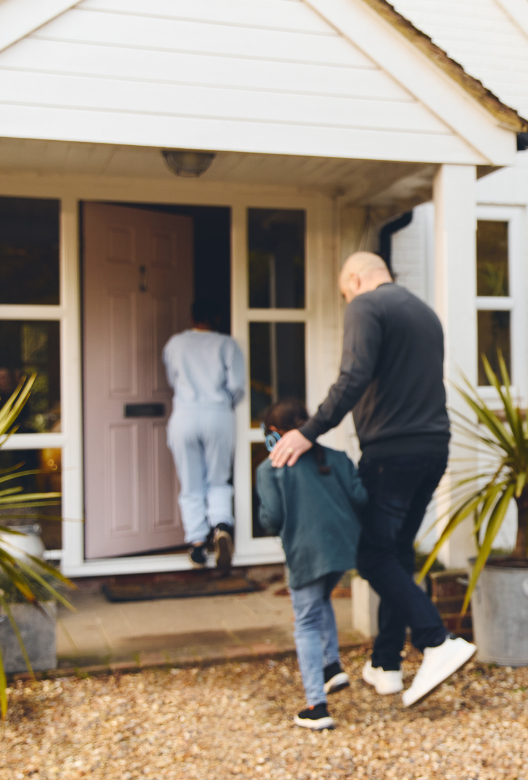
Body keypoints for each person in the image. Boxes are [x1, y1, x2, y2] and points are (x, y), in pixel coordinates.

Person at [267, 252, 477, 708]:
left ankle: (438, 642)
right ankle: (385, 664)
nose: (348, 301)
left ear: (356, 279)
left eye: (345, 292)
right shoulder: (424, 313)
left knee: (372, 554)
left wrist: (307, 432)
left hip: (392, 453)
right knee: (398, 553)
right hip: (433, 447)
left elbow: (353, 376)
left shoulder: (365, 305)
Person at [257, 398, 366, 730]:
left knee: (305, 623)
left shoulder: (270, 468)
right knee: (321, 601)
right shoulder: (336, 458)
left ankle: (316, 706)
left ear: (275, 434)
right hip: (342, 551)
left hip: (305, 553)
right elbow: (361, 499)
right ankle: (332, 666)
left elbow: (272, 520)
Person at [164, 299, 245, 569]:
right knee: (218, 478)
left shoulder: (175, 344)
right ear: (218, 318)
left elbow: (172, 379)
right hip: (218, 413)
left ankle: (197, 544)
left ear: (191, 316)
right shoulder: (227, 344)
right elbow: (237, 386)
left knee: (191, 482)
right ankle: (221, 526)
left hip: (185, 414)